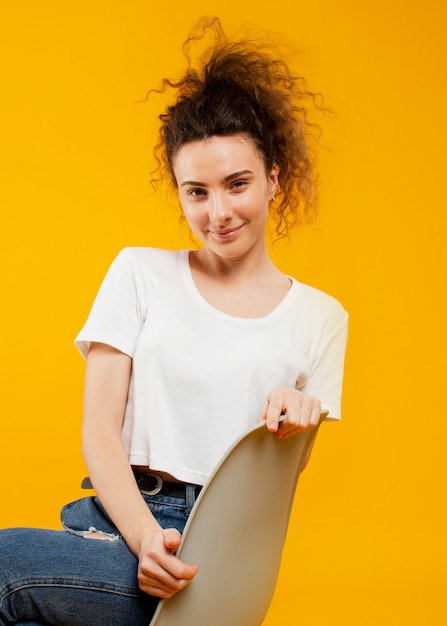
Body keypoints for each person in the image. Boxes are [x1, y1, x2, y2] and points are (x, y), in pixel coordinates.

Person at [0, 17, 348, 626]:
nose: (219, 212)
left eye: (237, 184)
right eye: (197, 192)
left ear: (272, 179)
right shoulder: (138, 272)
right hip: (113, 520)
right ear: (180, 193)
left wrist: (302, 413)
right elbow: (100, 431)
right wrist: (140, 538)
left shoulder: (321, 318)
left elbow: (268, 493)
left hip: (209, 548)